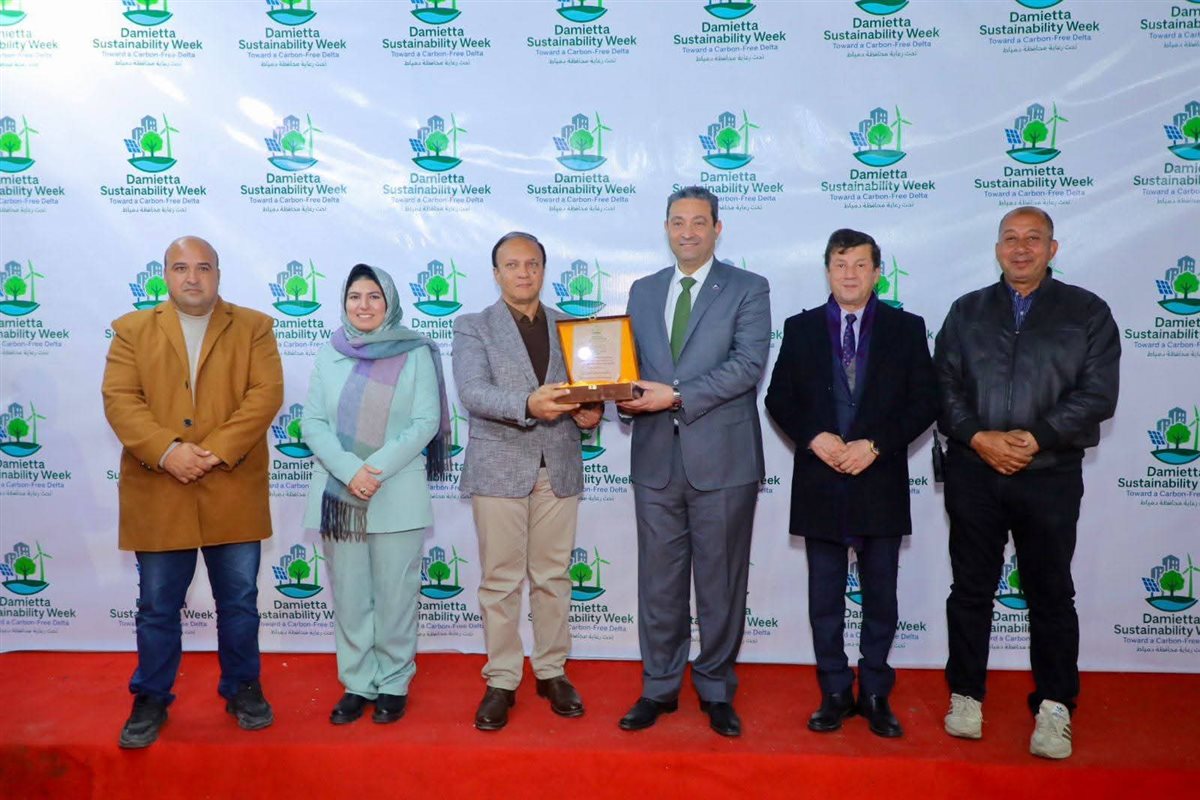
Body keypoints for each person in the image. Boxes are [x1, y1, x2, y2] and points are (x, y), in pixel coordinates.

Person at [935, 206, 1120, 759]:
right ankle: (966, 695)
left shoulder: (1087, 311)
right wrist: (979, 437)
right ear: (997, 249)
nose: (1021, 248)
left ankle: (1055, 706)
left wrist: (1035, 438)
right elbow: (942, 386)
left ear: (1052, 249)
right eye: (1011, 238)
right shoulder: (966, 311)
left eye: (1033, 238)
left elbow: (1098, 394)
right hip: (974, 471)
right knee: (970, 590)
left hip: (1050, 475)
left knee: (1051, 593)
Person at [101, 235, 284, 748]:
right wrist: (168, 452)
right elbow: (120, 399)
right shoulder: (131, 330)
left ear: (218, 274)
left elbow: (265, 394)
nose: (192, 277)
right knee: (157, 606)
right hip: (160, 488)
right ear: (165, 275)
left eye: (203, 267)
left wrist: (215, 451)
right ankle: (151, 696)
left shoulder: (255, 327)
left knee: (239, 602)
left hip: (231, 484)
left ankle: (243, 687)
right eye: (181, 268)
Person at [765, 229, 937, 738]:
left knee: (881, 597)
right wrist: (813, 437)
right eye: (840, 265)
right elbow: (778, 398)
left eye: (860, 265)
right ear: (827, 271)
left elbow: (926, 401)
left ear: (877, 272)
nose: (850, 274)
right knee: (825, 600)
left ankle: (877, 692)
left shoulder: (907, 329)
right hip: (820, 480)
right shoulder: (799, 329)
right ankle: (835, 691)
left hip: (879, 479)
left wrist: (876, 445)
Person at [616, 186, 770, 738]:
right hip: (656, 460)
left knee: (721, 583)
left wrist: (675, 396)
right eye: (678, 221)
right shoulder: (643, 290)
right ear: (666, 227)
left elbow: (747, 366)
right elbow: (629, 366)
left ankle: (716, 688)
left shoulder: (748, 288)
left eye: (699, 222)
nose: (688, 231)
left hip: (724, 461)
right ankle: (659, 687)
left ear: (717, 229)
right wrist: (621, 395)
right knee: (658, 584)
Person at [452, 231, 601, 731]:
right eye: (512, 265)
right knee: (500, 581)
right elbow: (472, 391)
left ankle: (551, 670)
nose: (523, 272)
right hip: (499, 467)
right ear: (496, 273)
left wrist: (591, 412)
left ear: (543, 269)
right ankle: (502, 678)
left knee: (553, 577)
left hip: (558, 466)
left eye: (532, 263)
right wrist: (527, 405)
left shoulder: (571, 327)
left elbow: (588, 390)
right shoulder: (473, 326)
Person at [301, 264, 451, 725]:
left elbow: (425, 422)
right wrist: (351, 472)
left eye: (373, 297)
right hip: (339, 492)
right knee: (349, 597)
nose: (363, 305)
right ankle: (358, 683)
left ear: (390, 302)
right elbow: (312, 423)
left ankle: (393, 682)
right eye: (354, 297)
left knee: (395, 597)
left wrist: (373, 470)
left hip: (395, 492)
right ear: (344, 303)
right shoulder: (329, 352)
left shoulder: (416, 352)